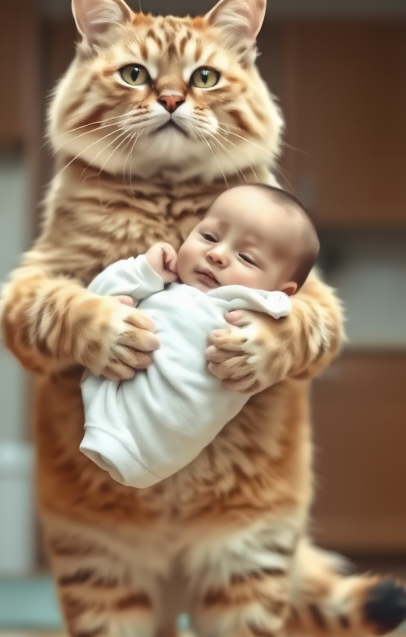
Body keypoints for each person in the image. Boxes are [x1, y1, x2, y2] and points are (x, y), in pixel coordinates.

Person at [80, 183, 321, 488]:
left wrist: (275, 323)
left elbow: (299, 324)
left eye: (247, 257)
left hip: (163, 444)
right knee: (113, 310)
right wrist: (142, 271)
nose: (217, 254)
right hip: (108, 404)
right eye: (208, 237)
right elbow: (94, 298)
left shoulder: (255, 308)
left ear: (280, 290)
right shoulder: (162, 283)